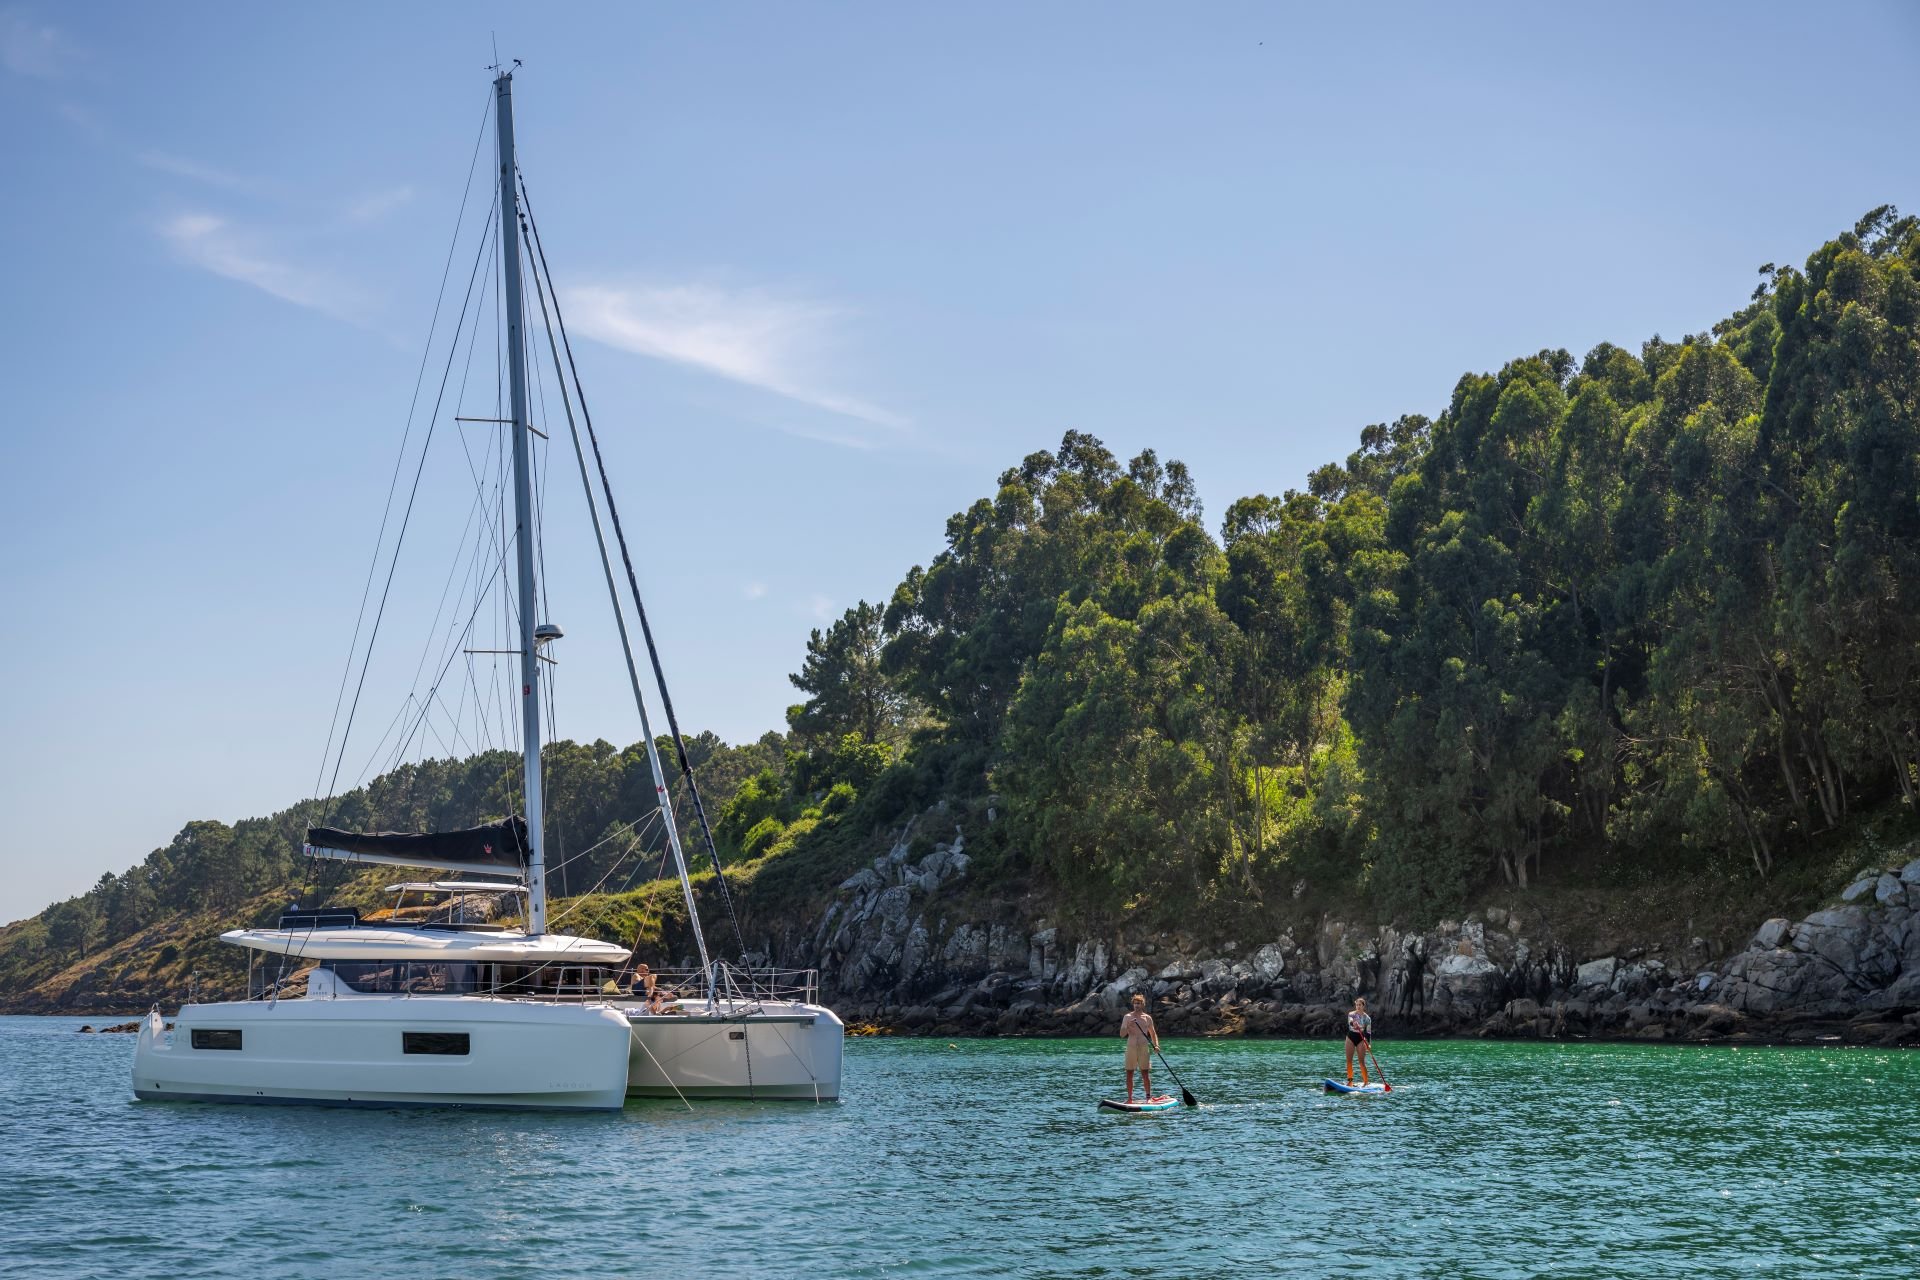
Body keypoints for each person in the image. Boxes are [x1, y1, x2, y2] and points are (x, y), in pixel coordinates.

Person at [1120, 993, 1159, 1103]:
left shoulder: (1147, 1018)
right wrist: (1129, 1026)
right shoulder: (1127, 1017)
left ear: (1142, 1004)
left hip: (1143, 1047)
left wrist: (1156, 1045)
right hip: (1131, 1047)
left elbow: (1153, 1033)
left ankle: (1148, 1097)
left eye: (1139, 1003)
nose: (1137, 1005)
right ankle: (1130, 1099)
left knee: (1145, 1073)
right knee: (1129, 1073)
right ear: (1133, 1004)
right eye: (1135, 1003)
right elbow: (1122, 1034)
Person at [1344, 996, 1374, 1085]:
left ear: (1363, 1006)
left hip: (1361, 1039)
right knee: (1349, 1060)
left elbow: (1368, 1032)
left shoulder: (1367, 1018)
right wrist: (1353, 1023)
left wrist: (1368, 1044)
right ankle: (1350, 1082)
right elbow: (1350, 1021)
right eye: (1357, 1005)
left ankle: (1366, 1082)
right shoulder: (1351, 1014)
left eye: (1360, 1005)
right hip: (1350, 1037)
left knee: (1361, 1062)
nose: (1358, 1006)